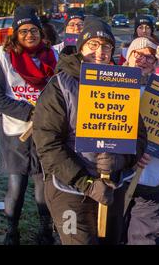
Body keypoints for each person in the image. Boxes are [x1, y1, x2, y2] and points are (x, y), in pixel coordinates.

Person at [32, 17, 148, 245]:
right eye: (93, 45)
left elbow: (139, 136)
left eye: (106, 46)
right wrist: (85, 183)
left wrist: (122, 159)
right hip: (69, 190)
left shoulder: (122, 85)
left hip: (112, 187)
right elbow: (47, 144)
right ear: (81, 47)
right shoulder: (60, 86)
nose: (100, 52)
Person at [0, 5, 57, 245]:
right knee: (17, 184)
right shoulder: (2, 56)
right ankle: (12, 231)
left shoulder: (52, 56)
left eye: (34, 29)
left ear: (41, 32)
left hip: (45, 130)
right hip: (15, 130)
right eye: (23, 30)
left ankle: (45, 231)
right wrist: (29, 112)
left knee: (43, 182)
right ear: (15, 34)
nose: (29, 34)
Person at [122, 36, 159, 245]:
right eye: (139, 54)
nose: (144, 60)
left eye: (150, 57)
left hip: (154, 177)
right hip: (120, 176)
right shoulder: (115, 83)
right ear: (129, 56)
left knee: (148, 238)